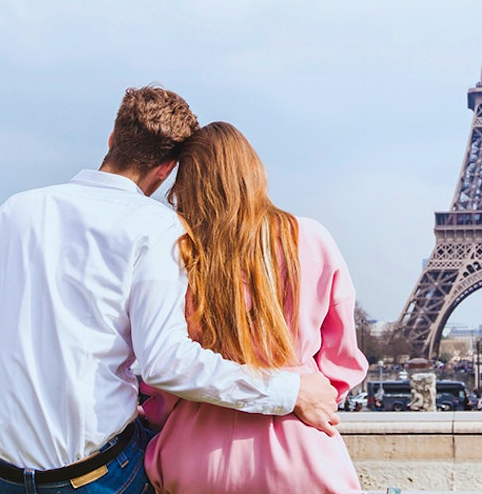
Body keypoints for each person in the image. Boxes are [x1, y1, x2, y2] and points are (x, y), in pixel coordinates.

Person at [0, 86, 338, 494]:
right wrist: (290, 390)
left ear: (112, 139)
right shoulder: (156, 228)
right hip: (87, 477)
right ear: (166, 169)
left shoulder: (15, 210)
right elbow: (166, 363)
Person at [143, 121, 368, 494]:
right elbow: (341, 360)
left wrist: (160, 415)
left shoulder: (181, 250)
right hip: (299, 447)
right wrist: (309, 395)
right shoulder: (311, 237)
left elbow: (165, 371)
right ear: (254, 171)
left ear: (187, 184)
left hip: (196, 451)